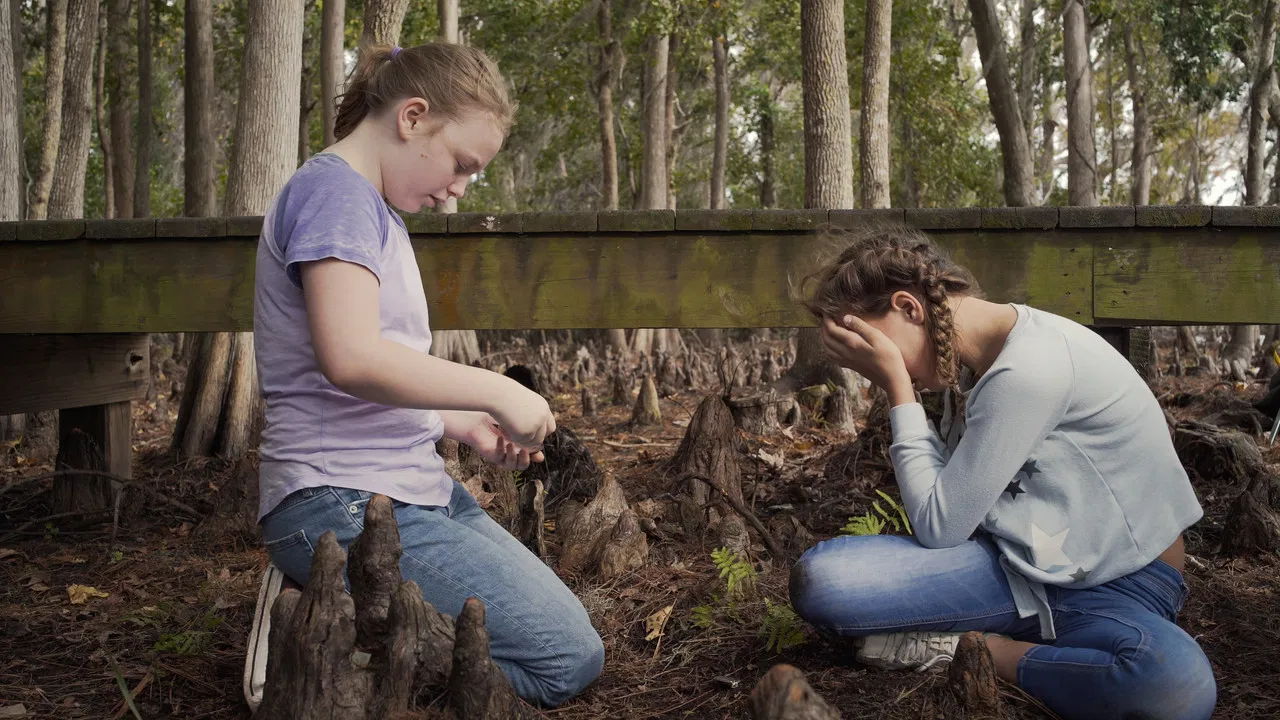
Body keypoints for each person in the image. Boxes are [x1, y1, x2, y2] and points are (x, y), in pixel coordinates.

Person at [248, 42, 604, 709]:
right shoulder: (335, 196)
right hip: (337, 501)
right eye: (463, 163)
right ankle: (330, 660)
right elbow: (349, 358)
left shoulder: (368, 207)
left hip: (403, 489)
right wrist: (499, 390)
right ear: (413, 117)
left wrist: (457, 422)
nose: (461, 188)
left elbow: (355, 373)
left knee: (572, 640)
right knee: (563, 660)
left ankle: (341, 625)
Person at [786, 227, 1217, 720]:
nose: (870, 367)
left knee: (1174, 688)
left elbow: (940, 526)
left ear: (910, 307)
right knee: (823, 581)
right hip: (1015, 569)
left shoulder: (1028, 368)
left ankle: (981, 651)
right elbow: (953, 517)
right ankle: (1045, 649)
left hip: (1123, 582)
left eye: (871, 345)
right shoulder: (968, 365)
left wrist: (897, 388)